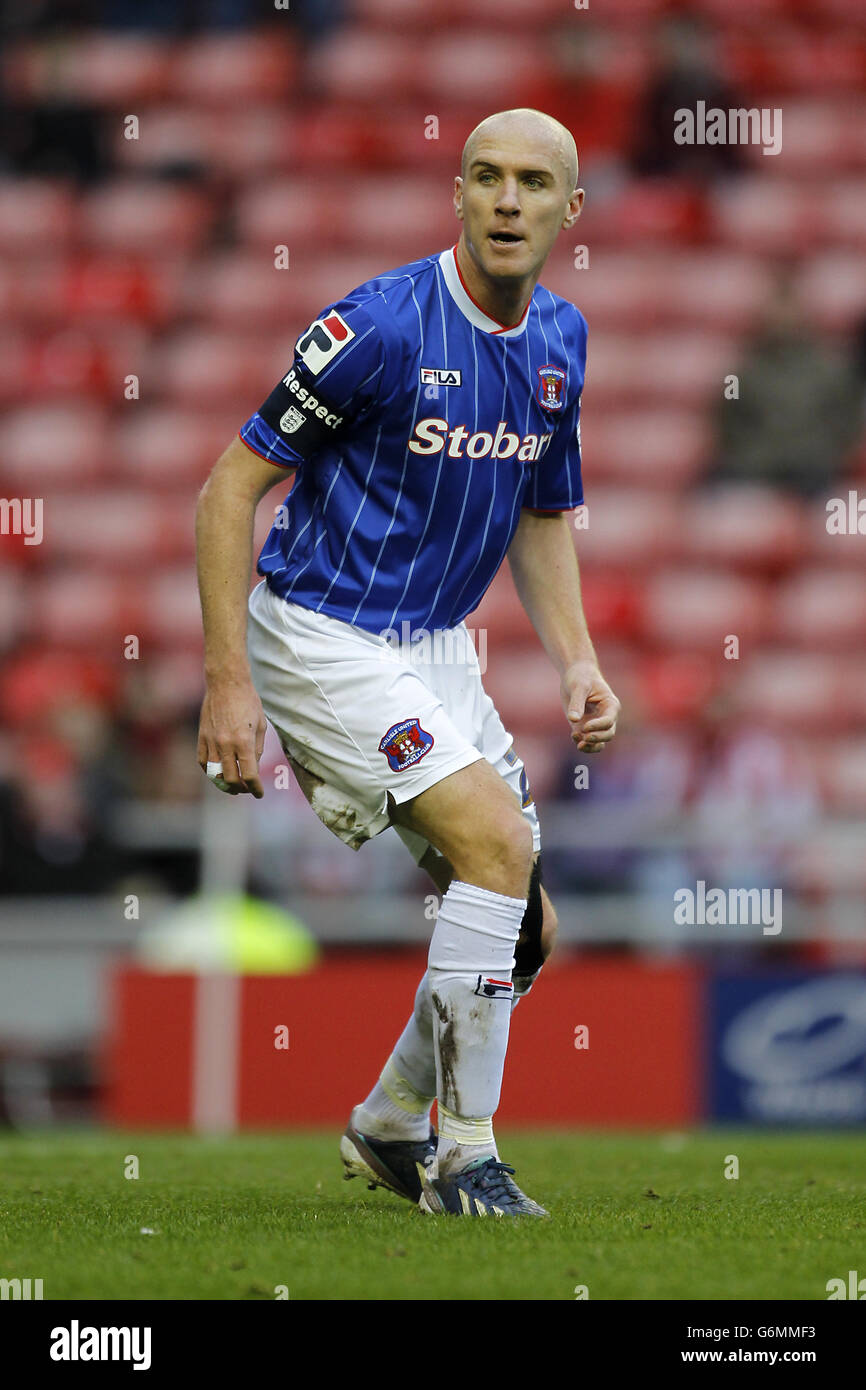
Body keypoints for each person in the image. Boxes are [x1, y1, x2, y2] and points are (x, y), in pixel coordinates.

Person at [195, 108, 620, 1218]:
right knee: (493, 842)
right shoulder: (377, 326)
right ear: (458, 194)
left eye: (534, 182)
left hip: (432, 645)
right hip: (323, 628)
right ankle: (464, 1158)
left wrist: (575, 660)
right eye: (486, 177)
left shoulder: (561, 342)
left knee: (525, 927)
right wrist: (228, 681)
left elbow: (541, 508)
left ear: (570, 209)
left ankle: (388, 1124)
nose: (507, 199)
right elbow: (227, 489)